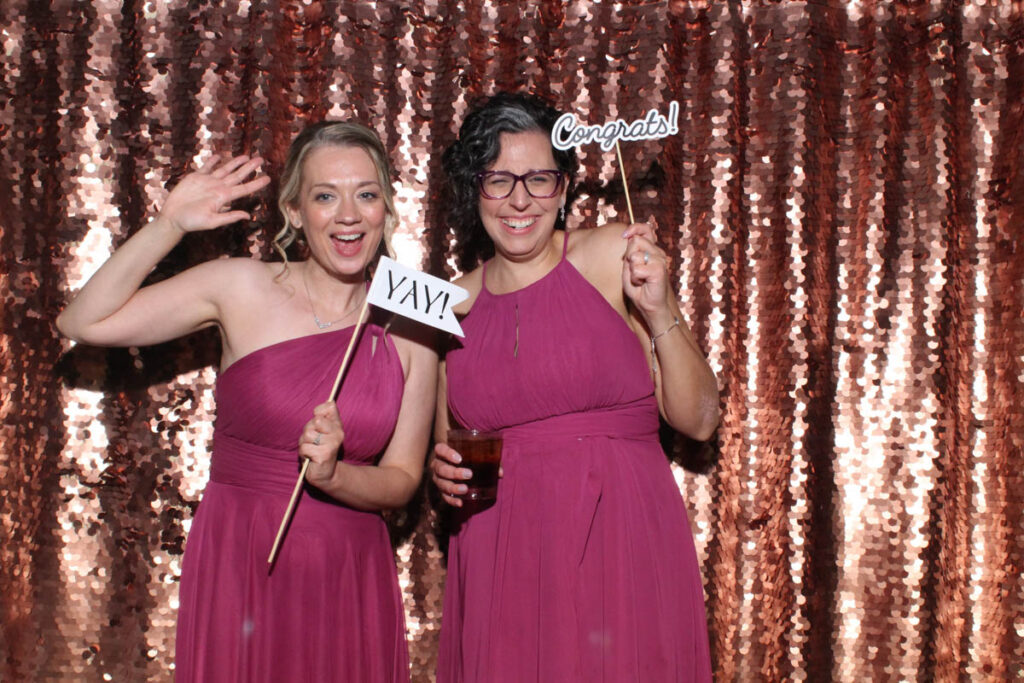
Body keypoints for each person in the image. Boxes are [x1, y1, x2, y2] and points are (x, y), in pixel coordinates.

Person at [57, 122, 437, 682]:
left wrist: (333, 476)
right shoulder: (240, 286)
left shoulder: (413, 319)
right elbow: (81, 320)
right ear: (295, 210)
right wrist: (168, 225)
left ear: (387, 208)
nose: (348, 214)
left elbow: (403, 479)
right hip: (243, 553)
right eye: (325, 196)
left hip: (348, 568)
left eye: (367, 194)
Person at [429, 93, 719, 682]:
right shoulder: (447, 303)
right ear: (473, 188)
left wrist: (660, 309)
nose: (519, 200)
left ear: (563, 188)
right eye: (498, 179)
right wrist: (442, 471)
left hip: (621, 537)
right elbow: (445, 444)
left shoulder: (614, 253)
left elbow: (699, 421)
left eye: (539, 178)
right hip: (501, 550)